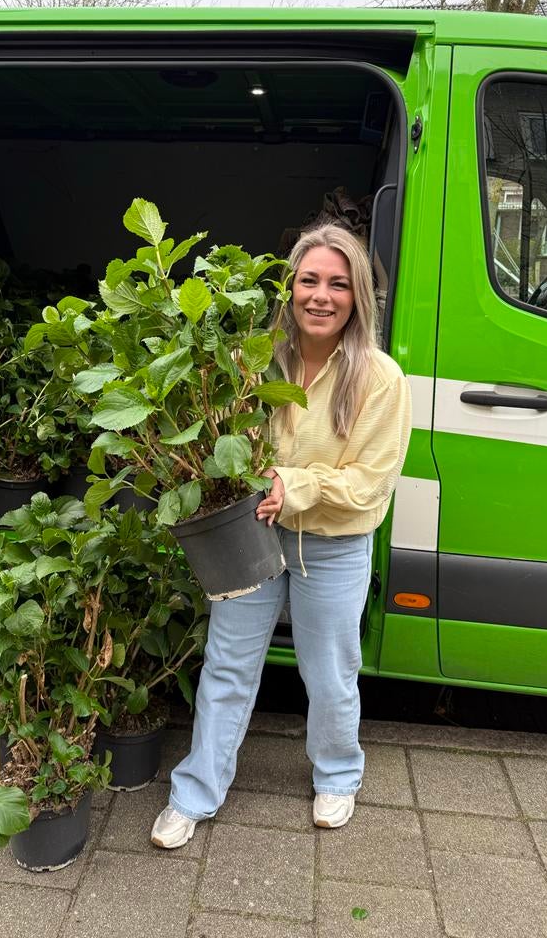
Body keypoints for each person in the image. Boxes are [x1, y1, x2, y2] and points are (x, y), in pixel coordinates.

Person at [151, 224, 413, 848]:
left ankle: (338, 777)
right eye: (309, 280)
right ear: (288, 288)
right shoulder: (253, 359)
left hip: (333, 544)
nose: (321, 296)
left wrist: (292, 483)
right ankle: (195, 793)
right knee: (229, 666)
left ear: (358, 297)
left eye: (338, 283)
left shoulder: (379, 378)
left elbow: (370, 482)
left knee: (329, 671)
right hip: (251, 534)